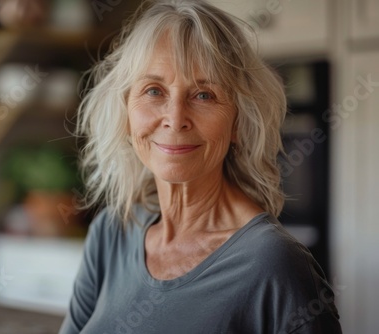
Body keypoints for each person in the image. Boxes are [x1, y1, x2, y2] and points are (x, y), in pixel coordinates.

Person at [59, 0, 342, 333]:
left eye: (204, 95)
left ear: (238, 121)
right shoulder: (112, 232)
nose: (176, 119)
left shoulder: (275, 264)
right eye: (154, 90)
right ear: (126, 111)